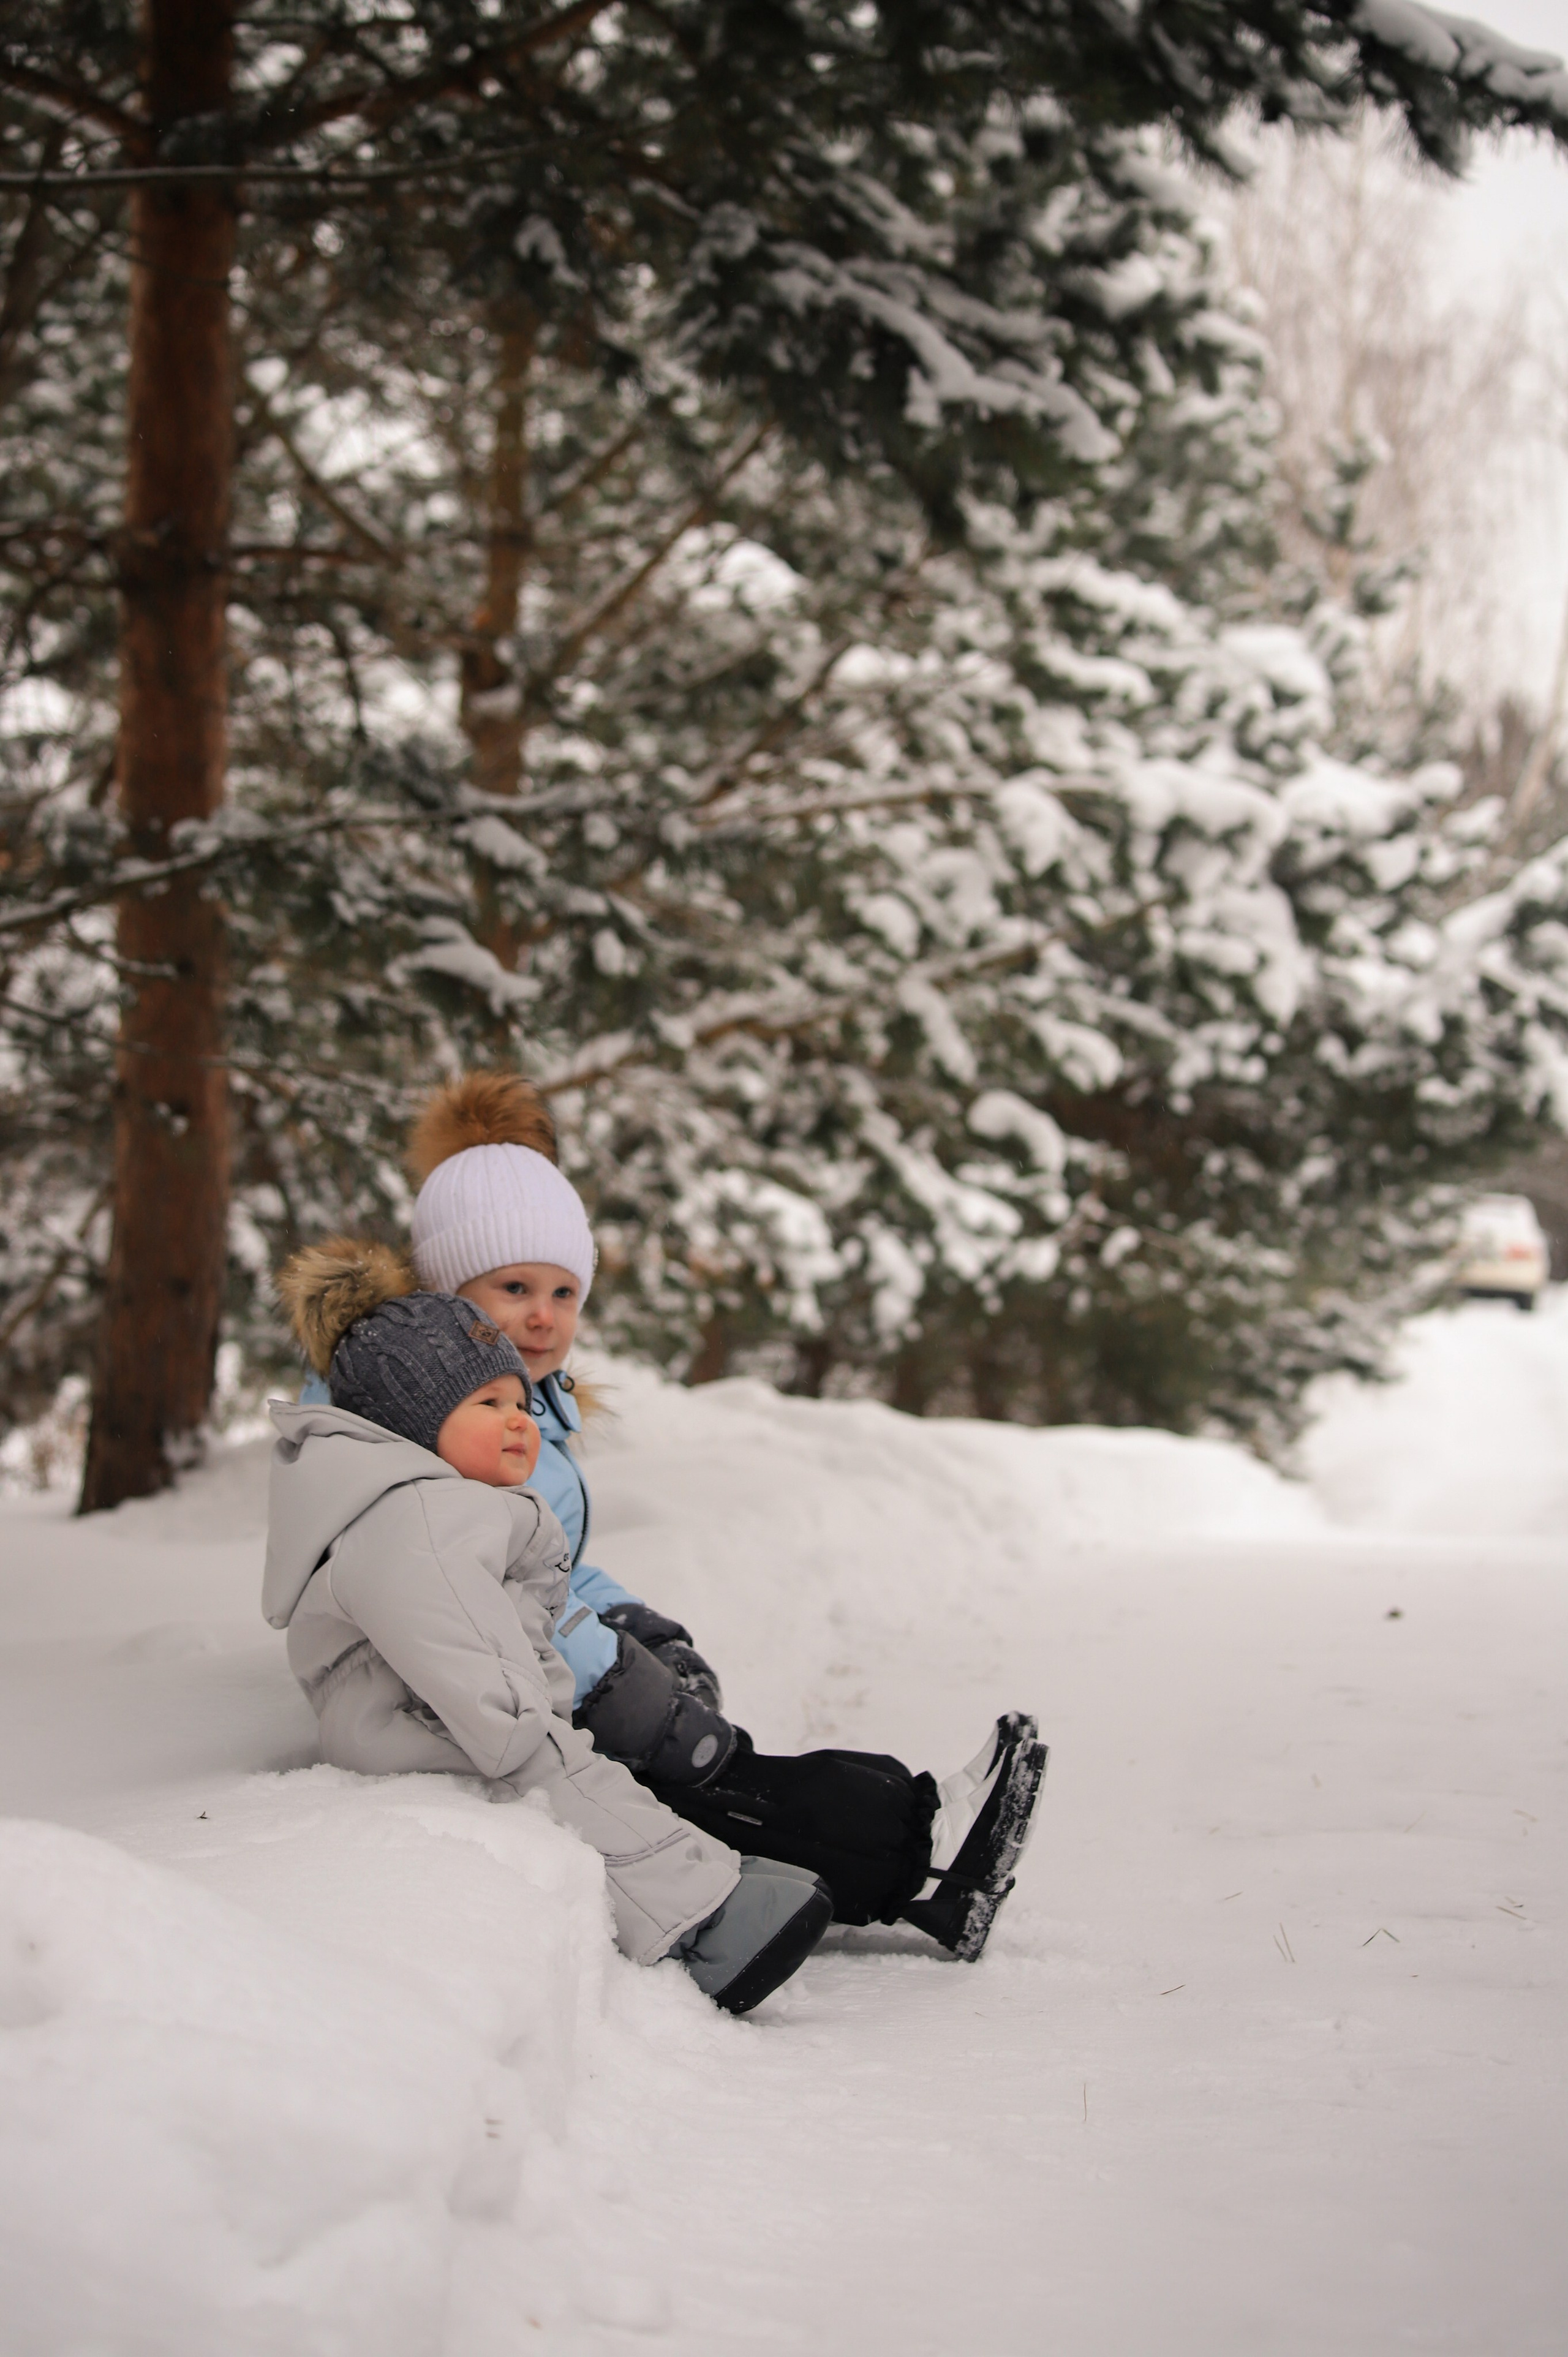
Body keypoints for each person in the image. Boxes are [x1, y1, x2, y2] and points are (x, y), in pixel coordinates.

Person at [399, 1071, 1049, 1961]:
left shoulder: (516, 1403)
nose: (544, 1318)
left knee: (720, 1779)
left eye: (564, 1293)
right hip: (492, 1705)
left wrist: (630, 1622)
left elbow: (548, 1563)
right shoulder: (448, 1422)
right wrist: (628, 1686)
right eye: (514, 1288)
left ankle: (913, 1857)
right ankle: (924, 1858)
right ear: (446, 1290)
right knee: (723, 1781)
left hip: (542, 1681)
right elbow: (495, 1588)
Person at [265, 1241, 832, 2015]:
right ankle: (700, 1925)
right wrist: (528, 1716)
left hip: (453, 1713)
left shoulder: (441, 1503)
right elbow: (464, 1653)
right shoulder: (421, 1517)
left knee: (580, 1767)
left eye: (522, 1404)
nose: (519, 1423)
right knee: (560, 1780)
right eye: (488, 1406)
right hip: (428, 1728)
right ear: (410, 1424)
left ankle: (707, 1874)